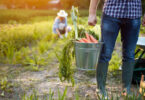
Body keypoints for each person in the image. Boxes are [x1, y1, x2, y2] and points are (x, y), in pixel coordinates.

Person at [88, 0, 145, 98]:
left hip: (134, 14)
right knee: (105, 53)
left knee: (129, 54)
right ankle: (100, 89)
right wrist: (92, 13)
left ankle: (126, 89)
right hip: (111, 13)